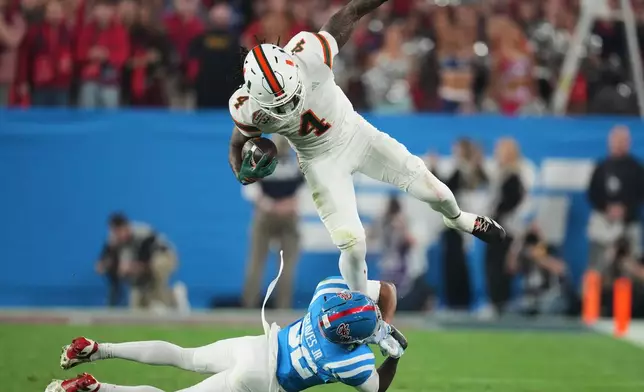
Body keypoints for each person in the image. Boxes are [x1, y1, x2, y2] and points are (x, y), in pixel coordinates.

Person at [227, 0, 507, 296]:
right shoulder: (247, 107)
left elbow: (351, 11)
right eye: (278, 104)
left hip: (358, 135)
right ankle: (365, 309)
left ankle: (459, 219)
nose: (288, 105)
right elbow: (237, 145)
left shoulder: (309, 53)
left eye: (289, 96)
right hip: (321, 162)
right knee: (352, 243)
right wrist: (243, 171)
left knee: (433, 190)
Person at [48, 275, 407, 392]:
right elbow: (377, 387)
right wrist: (392, 352)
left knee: (183, 355)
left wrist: (379, 321)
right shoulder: (354, 360)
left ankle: (100, 348)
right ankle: (98, 388)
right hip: (259, 379)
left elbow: (383, 289)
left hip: (256, 345)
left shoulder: (325, 295)